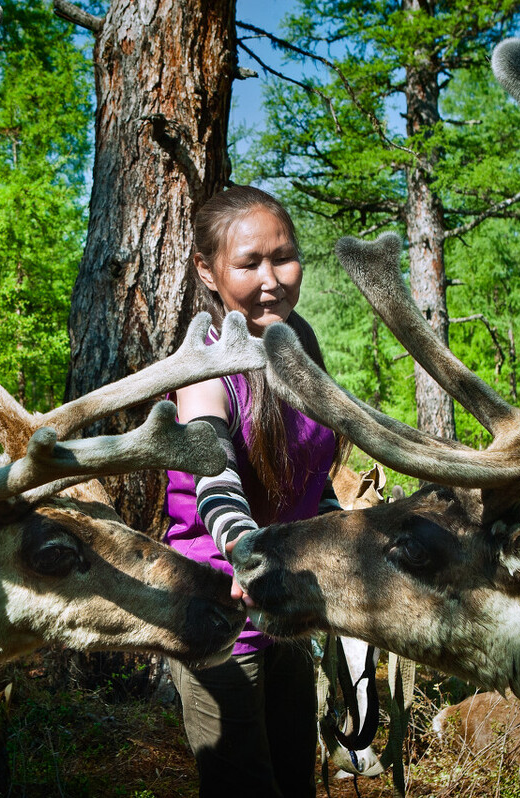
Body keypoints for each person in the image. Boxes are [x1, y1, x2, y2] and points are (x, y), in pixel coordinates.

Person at [165, 185, 345, 798]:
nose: (272, 279)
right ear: (208, 274)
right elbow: (215, 485)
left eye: (284, 257)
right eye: (248, 263)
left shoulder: (302, 352)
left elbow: (313, 487)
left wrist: (345, 543)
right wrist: (246, 550)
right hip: (219, 614)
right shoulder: (203, 372)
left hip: (286, 604)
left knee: (294, 780)